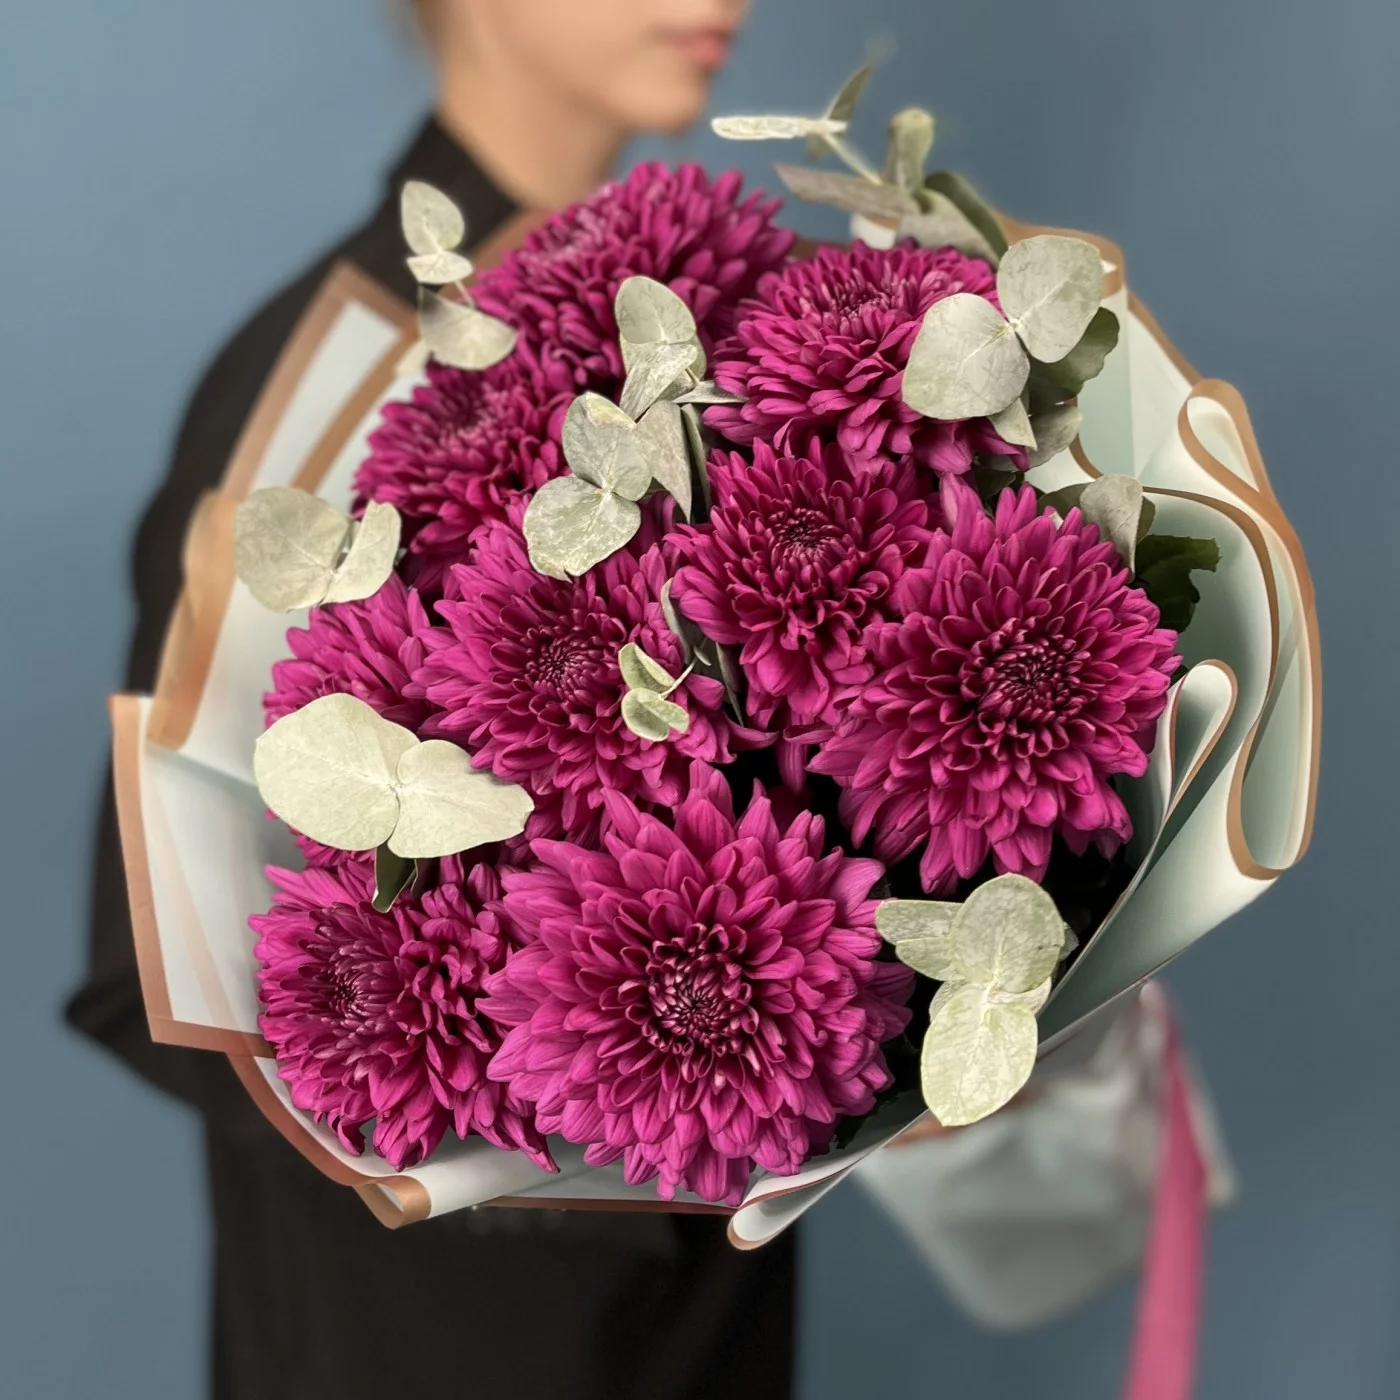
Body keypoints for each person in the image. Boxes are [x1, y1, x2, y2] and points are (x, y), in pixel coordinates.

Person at [67, 3, 795, 1397]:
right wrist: (550, 1085)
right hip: (426, 1318)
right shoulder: (324, 388)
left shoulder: (725, 354)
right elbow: (146, 961)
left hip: (714, 1280)